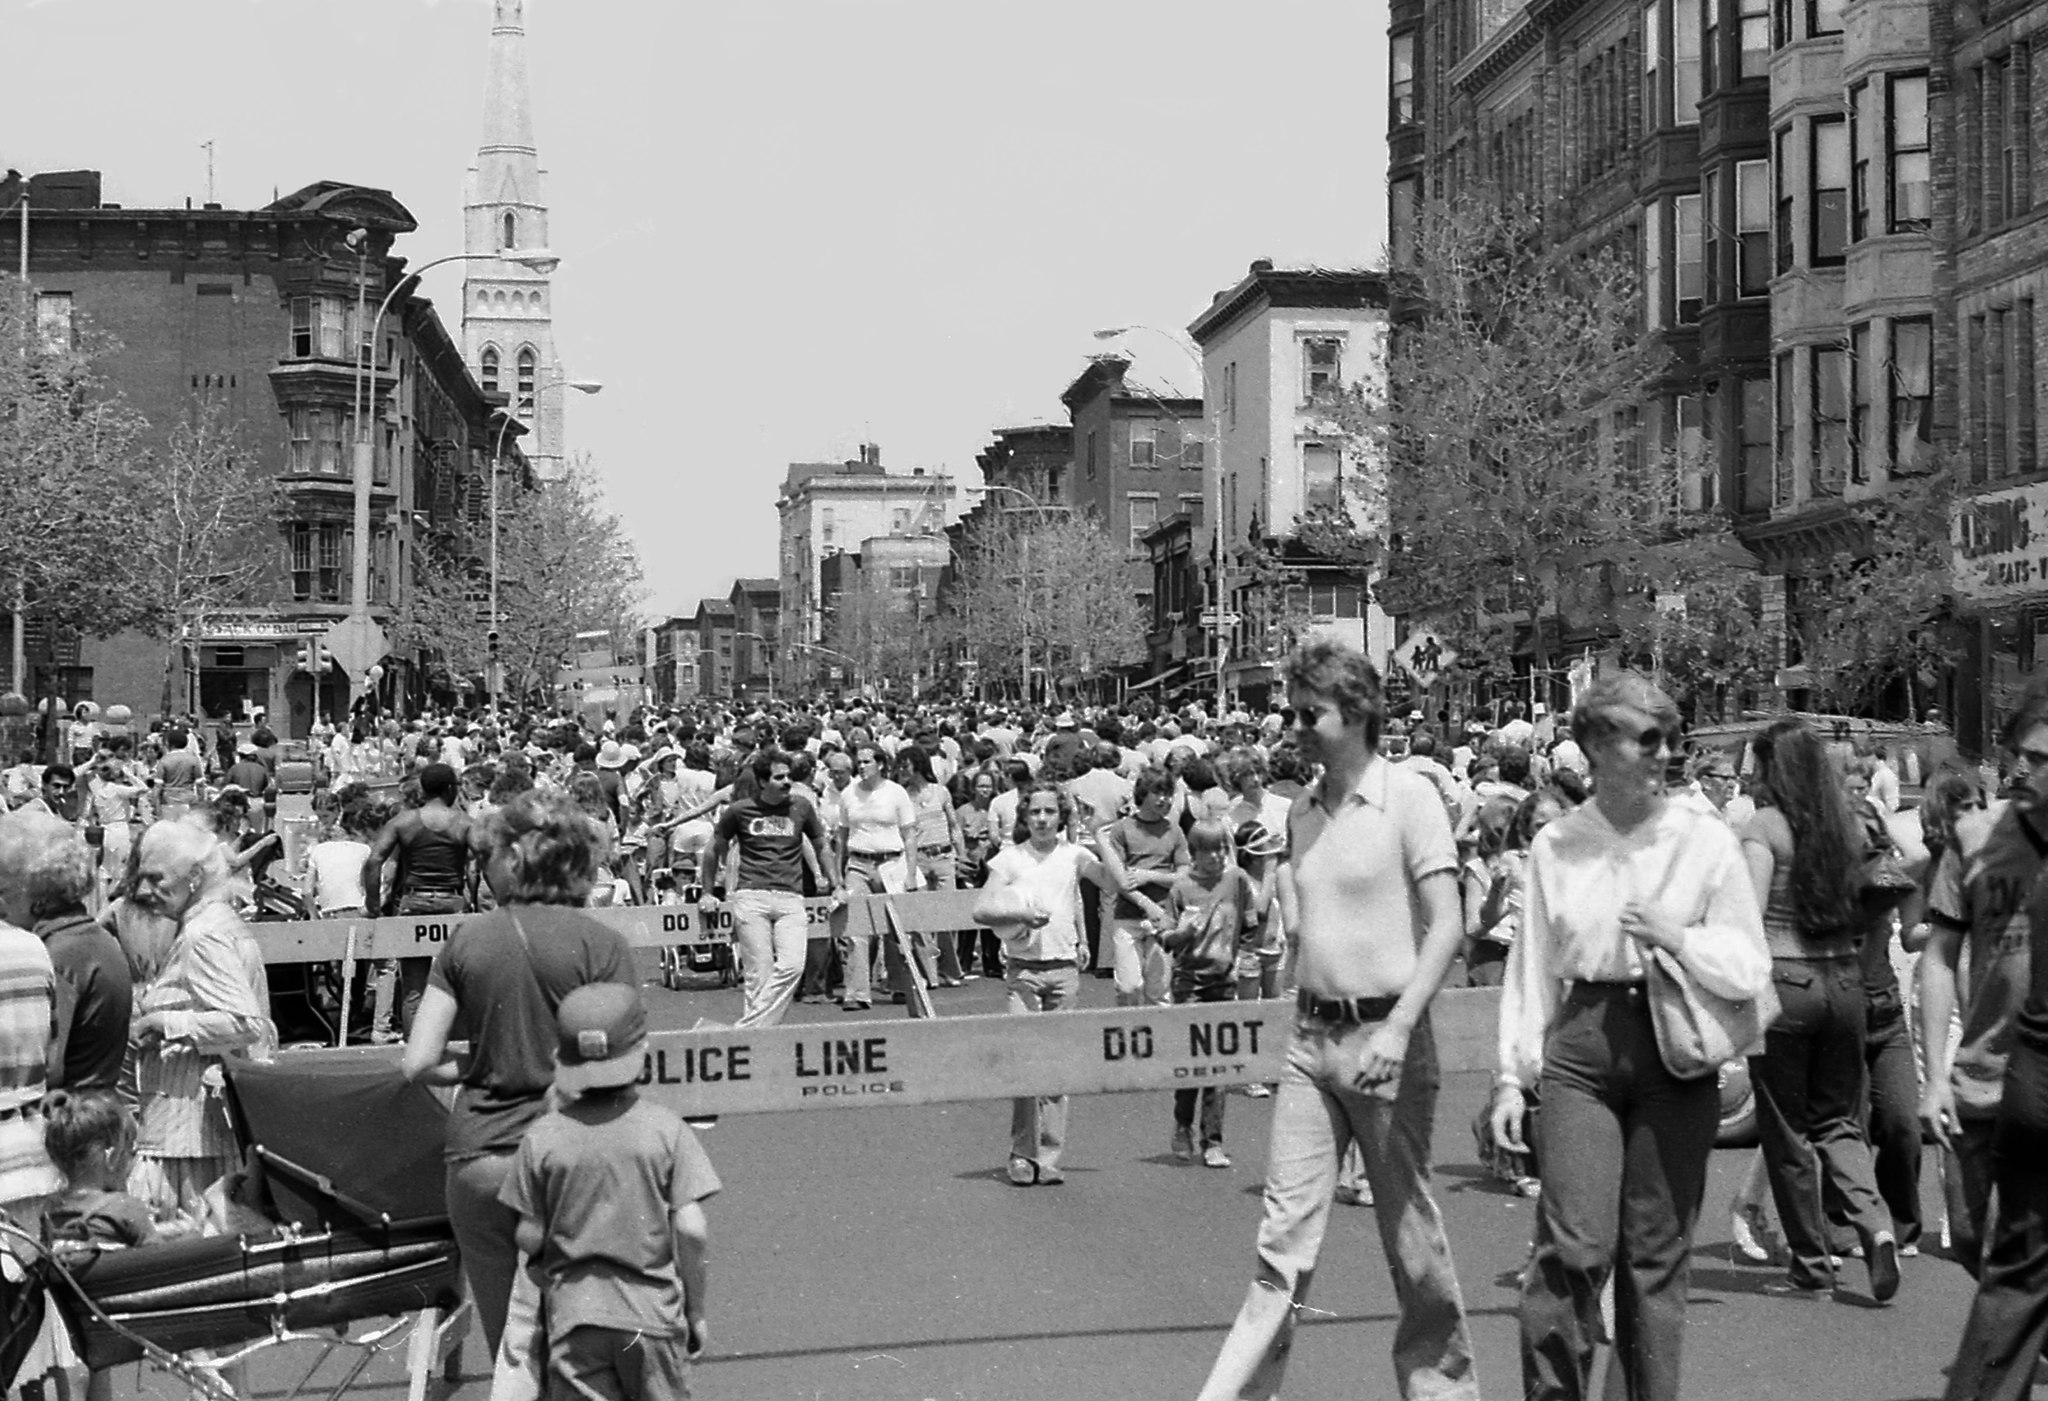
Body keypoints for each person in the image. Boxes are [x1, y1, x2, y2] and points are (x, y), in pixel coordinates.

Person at [1199, 639, 1478, 1401]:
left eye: (1306, 712)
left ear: (1354, 712)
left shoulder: (1410, 796)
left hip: (1387, 1038)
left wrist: (1398, 1028)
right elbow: (1293, 914)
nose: (1294, 725)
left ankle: (1444, 1393)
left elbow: (1448, 923)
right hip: (1310, 1042)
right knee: (1279, 1246)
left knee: (1411, 1241)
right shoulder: (1303, 813)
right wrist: (1237, 897)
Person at [1489, 672, 1770, 1401]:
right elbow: (1532, 971)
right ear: (1593, 746)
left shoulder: (1703, 840)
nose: (1663, 753)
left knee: (1655, 1260)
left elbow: (1748, 964)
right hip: (1582, 1045)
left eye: (1668, 738)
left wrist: (1679, 938)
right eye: (1645, 738)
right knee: (1573, 1247)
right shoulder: (1558, 844)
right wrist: (1511, 1078)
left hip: (1674, 1049)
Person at [399, 789, 637, 1363]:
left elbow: (419, 1062)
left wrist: (483, 1060)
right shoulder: (603, 943)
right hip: (572, 1152)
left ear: (512, 859)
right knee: (582, 1339)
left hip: (481, 1154)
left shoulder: (467, 940)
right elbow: (624, 1060)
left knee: (512, 1343)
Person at [1740, 719, 1900, 1301]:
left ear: (1773, 768)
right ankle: (1875, 1225)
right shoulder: (1847, 827)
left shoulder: (1765, 827)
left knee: (1788, 1130)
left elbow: (1750, 917)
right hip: (1846, 980)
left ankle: (1811, 1263)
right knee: (1839, 1120)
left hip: (1787, 983)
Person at [501, 982, 715, 1400]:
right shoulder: (665, 1129)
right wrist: (697, 1311)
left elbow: (528, 1236)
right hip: (651, 1315)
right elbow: (692, 1231)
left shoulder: (542, 1137)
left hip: (574, 1317)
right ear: (640, 1054)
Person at [1920, 701, 2048, 1283]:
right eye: (2015, 754)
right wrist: (1936, 1078)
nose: (2022, 769)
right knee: (1971, 1238)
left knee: (2022, 1259)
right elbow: (1940, 955)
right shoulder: (1972, 838)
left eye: (2039, 758)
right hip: (1980, 1073)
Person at [121, 820, 276, 1222]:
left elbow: (245, 1022)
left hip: (189, 1132)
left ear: (193, 877)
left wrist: (165, 1022)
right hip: (201, 1125)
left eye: (156, 879)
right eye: (141, 880)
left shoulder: (202, 935)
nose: (143, 892)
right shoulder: (218, 922)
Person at [972, 782, 1107, 1187]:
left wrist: (1100, 835)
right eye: (1035, 812)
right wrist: (1020, 914)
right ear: (1025, 817)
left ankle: (1048, 1157)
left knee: (1055, 1069)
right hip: (1024, 971)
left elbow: (1112, 884)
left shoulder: (1074, 855)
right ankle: (1021, 1154)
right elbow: (981, 908)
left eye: (1051, 812)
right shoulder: (1010, 859)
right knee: (1023, 1064)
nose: (1043, 819)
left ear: (1062, 816)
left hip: (1064, 971)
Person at [704, 749, 841, 1029]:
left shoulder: (801, 807)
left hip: (791, 897)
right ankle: (760, 1042)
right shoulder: (739, 810)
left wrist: (836, 883)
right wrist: (708, 890)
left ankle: (744, 1032)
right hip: (751, 896)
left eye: (789, 776)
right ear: (763, 782)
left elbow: (820, 845)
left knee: (793, 966)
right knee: (760, 974)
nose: (787, 782)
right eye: (780, 777)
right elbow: (713, 849)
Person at [0, 811, 130, 1092]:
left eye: (4, 893)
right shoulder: (94, 939)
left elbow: (46, 1063)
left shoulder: (56, 955)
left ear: (39, 898)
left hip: (68, 1117)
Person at [1160, 819, 1254, 1169]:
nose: (1214, 857)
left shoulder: (1235, 880)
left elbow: (1249, 922)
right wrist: (1182, 934)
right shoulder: (1181, 887)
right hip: (1188, 984)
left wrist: (1240, 953)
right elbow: (1165, 937)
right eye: (1206, 851)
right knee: (1191, 1066)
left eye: (1220, 849)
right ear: (1194, 853)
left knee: (1219, 1068)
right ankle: (1182, 1123)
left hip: (1223, 982)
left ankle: (1213, 1141)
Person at [366, 763, 474, 1039]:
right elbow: (479, 864)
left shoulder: (403, 821)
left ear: (423, 789)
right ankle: (456, 1045)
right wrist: (473, 899)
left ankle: (416, 1049)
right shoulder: (463, 822)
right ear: (451, 789)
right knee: (455, 981)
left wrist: (374, 905)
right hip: (451, 900)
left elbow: (375, 860)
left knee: (414, 989)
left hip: (414, 902)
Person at [833, 743, 918, 1011]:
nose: (862, 766)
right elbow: (842, 836)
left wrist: (911, 873)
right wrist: (837, 876)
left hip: (892, 863)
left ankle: (899, 985)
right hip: (858, 864)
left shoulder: (896, 793)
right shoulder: (849, 794)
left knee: (895, 928)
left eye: (867, 761)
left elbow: (910, 835)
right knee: (856, 928)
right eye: (859, 762)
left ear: (880, 764)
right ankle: (857, 992)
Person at [1097, 769, 1188, 1010]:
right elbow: (1120, 880)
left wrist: (1150, 876)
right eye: (1157, 793)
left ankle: (1161, 1042)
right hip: (1128, 918)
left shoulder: (1175, 831)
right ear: (1142, 795)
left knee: (1159, 992)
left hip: (1164, 919)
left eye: (1168, 794)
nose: (1164, 800)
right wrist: (1146, 904)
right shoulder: (1121, 830)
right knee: (1129, 987)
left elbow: (1185, 876)